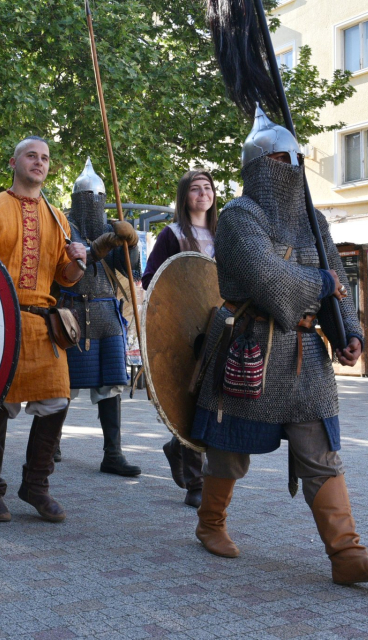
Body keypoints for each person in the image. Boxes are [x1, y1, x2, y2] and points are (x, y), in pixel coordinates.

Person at [190, 106, 368, 585]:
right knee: (228, 451)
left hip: (306, 356)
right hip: (250, 347)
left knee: (320, 452)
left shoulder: (313, 219)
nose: (295, 170)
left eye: (298, 160)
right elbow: (271, 281)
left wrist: (349, 333)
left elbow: (339, 280)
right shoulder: (241, 216)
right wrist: (323, 280)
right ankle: (210, 524)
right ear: (264, 168)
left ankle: (347, 555)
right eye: (286, 161)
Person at [0, 136, 86, 523]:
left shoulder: (57, 217)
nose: (39, 162)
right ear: (13, 162)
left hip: (41, 324)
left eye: (45, 158)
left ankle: (36, 485)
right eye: (32, 156)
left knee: (57, 401)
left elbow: (64, 279)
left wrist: (79, 263)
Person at [56, 158, 141, 478]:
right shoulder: (62, 225)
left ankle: (113, 454)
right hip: (69, 312)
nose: (93, 203)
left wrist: (130, 243)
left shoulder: (112, 228)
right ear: (78, 199)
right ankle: (51, 445)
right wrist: (100, 245)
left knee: (111, 387)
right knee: (61, 387)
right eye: (87, 197)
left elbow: (129, 269)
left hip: (106, 313)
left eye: (98, 197)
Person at [142, 169, 219, 508]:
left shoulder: (225, 235)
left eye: (207, 188)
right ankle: (195, 482)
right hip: (182, 331)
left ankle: (179, 445)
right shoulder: (172, 235)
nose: (202, 194)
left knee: (214, 398)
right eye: (195, 189)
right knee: (190, 398)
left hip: (219, 325)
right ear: (184, 196)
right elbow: (152, 279)